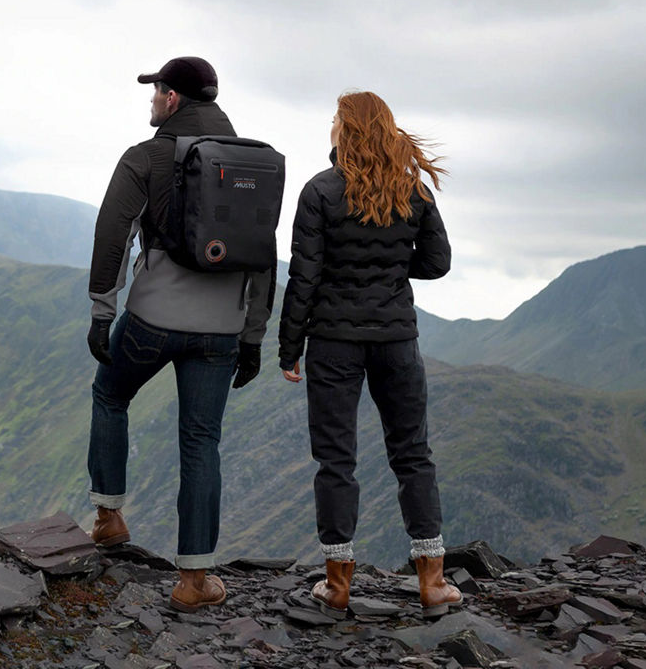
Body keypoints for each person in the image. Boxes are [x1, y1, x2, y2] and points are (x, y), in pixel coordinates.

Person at [85, 57, 275, 612]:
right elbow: (265, 257)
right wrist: (253, 335)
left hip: (151, 321)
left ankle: (109, 516)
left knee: (110, 393)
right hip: (221, 331)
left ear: (172, 100)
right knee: (201, 442)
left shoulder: (145, 157)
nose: (151, 99)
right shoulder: (253, 163)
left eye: (157, 91)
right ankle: (194, 582)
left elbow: (112, 232)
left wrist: (103, 310)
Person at [278, 90, 462, 619]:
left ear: (346, 129)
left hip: (333, 342)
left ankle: (337, 585)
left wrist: (290, 347)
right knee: (413, 455)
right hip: (398, 340)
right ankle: (432, 581)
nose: (332, 126)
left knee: (336, 461)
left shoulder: (320, 190)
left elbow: (304, 276)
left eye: (336, 120)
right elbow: (438, 262)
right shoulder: (413, 190)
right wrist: (389, 273)